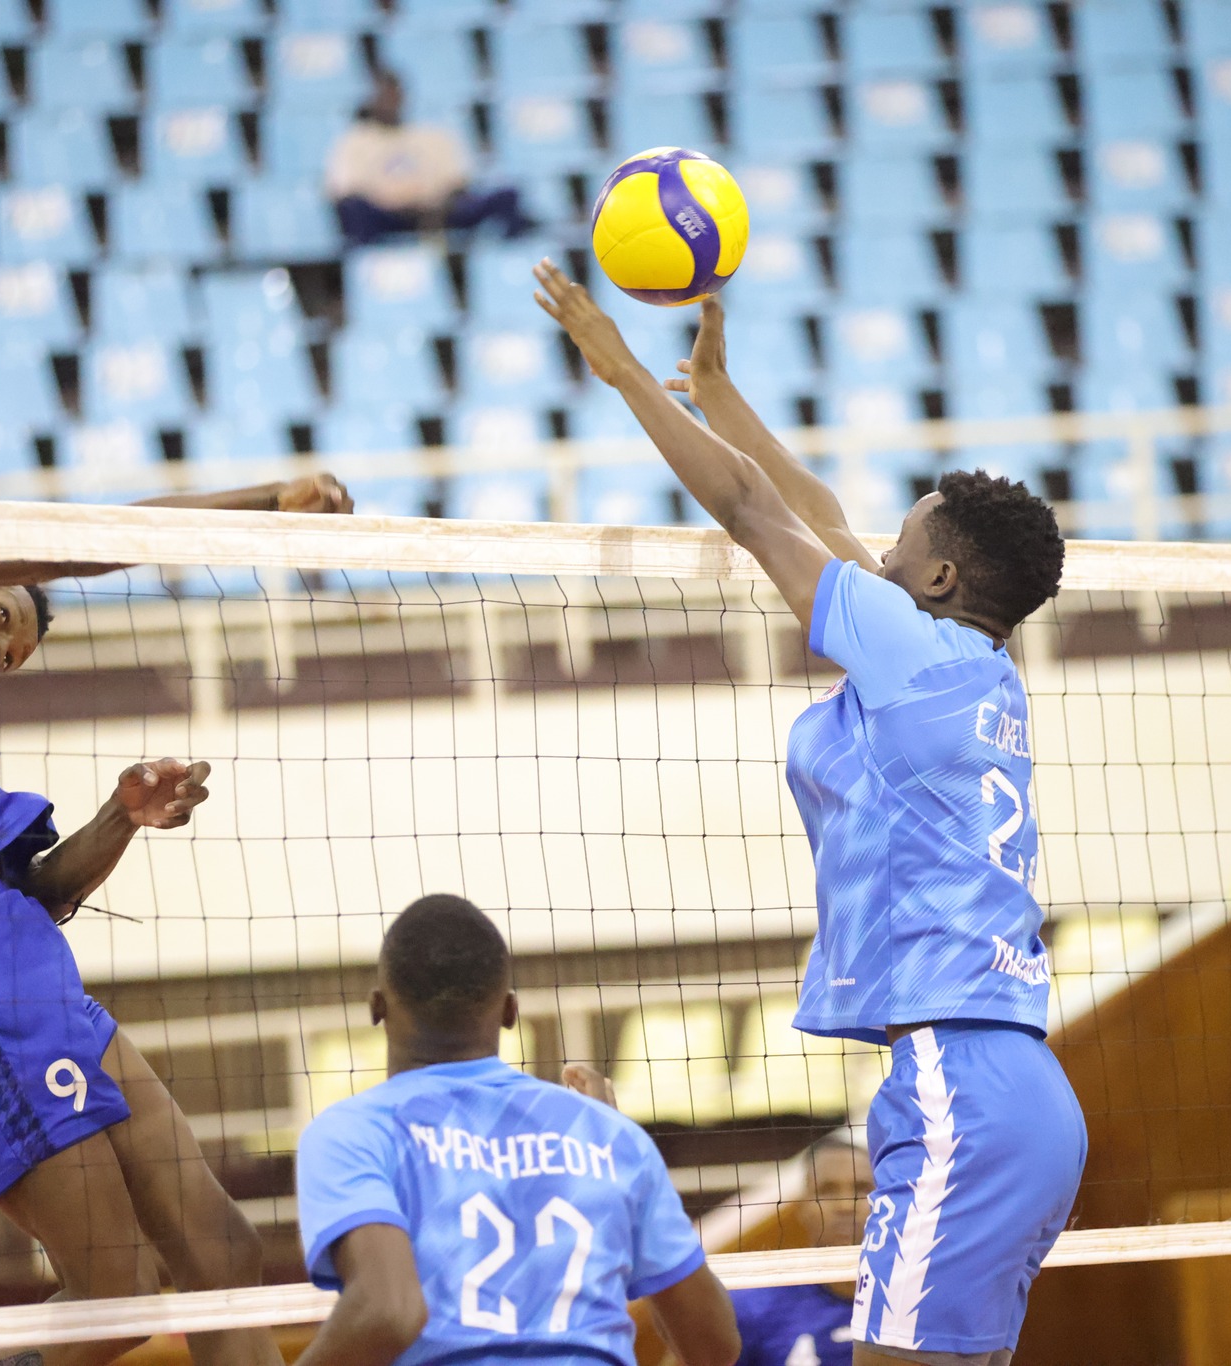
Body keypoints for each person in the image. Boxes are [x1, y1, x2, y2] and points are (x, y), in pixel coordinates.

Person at [535, 264, 1087, 1366]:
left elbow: (751, 509)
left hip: (957, 1091)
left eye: (898, 541)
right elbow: (816, 513)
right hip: (1017, 1094)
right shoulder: (966, 664)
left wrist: (622, 373)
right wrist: (720, 397)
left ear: (931, 577)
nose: (871, 549)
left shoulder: (911, 653)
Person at [0, 476, 354, 1366]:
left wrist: (123, 816)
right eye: (2, 615)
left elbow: (36, 891)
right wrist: (263, 504)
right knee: (114, 1296)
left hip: (14, 943)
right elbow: (72, 540)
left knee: (223, 1252)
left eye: (12, 656)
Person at [290, 892, 742, 1366]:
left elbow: (388, 1312)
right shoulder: (607, 1134)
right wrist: (612, 1139)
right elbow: (715, 1347)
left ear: (377, 1007)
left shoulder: (352, 1133)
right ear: (509, 1012)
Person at [326, 70, 533, 248]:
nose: (388, 101)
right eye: (381, 95)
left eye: (393, 93)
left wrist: (436, 205)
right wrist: (400, 205)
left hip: (439, 214)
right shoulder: (354, 141)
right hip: (387, 217)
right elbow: (346, 191)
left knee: (507, 195)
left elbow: (457, 184)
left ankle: (511, 266)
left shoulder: (433, 136)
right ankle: (370, 272)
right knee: (355, 210)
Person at [726, 1135, 873, 1366]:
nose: (845, 1205)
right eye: (827, 1190)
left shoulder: (919, 1299)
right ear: (802, 1207)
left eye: (861, 1188)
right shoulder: (749, 1308)